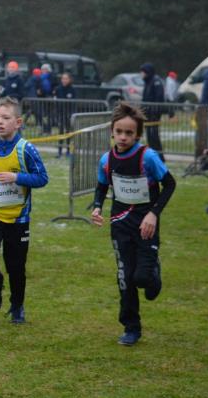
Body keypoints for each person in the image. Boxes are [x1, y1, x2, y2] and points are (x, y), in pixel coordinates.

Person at [91, 103, 176, 346]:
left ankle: (153, 275)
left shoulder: (147, 157)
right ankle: (131, 327)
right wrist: (97, 206)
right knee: (125, 277)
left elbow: (169, 184)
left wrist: (154, 214)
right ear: (112, 131)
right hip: (120, 223)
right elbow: (102, 185)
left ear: (137, 134)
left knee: (141, 279)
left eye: (129, 133)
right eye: (119, 131)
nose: (124, 137)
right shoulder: (107, 160)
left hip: (146, 224)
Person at [0, 97, 49, 325]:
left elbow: (42, 178)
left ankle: (17, 306)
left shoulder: (26, 149)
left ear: (18, 122)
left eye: (6, 118)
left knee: (16, 267)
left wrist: (18, 177)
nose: (0, 122)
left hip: (18, 219)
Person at [139, 62, 167, 157]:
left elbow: (159, 98)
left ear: (148, 72)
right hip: (147, 114)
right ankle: (154, 156)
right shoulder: (147, 82)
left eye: (142, 72)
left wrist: (155, 111)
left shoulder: (156, 81)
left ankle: (159, 157)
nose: (141, 74)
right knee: (150, 137)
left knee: (154, 136)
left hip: (154, 114)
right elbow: (145, 99)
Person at [53, 72, 77, 157]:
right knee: (60, 132)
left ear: (69, 79)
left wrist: (71, 114)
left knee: (68, 132)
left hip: (69, 114)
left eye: (66, 78)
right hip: (61, 114)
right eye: (63, 78)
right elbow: (55, 102)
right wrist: (56, 113)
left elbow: (74, 103)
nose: (64, 80)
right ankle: (59, 151)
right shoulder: (58, 89)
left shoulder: (72, 89)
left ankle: (67, 151)